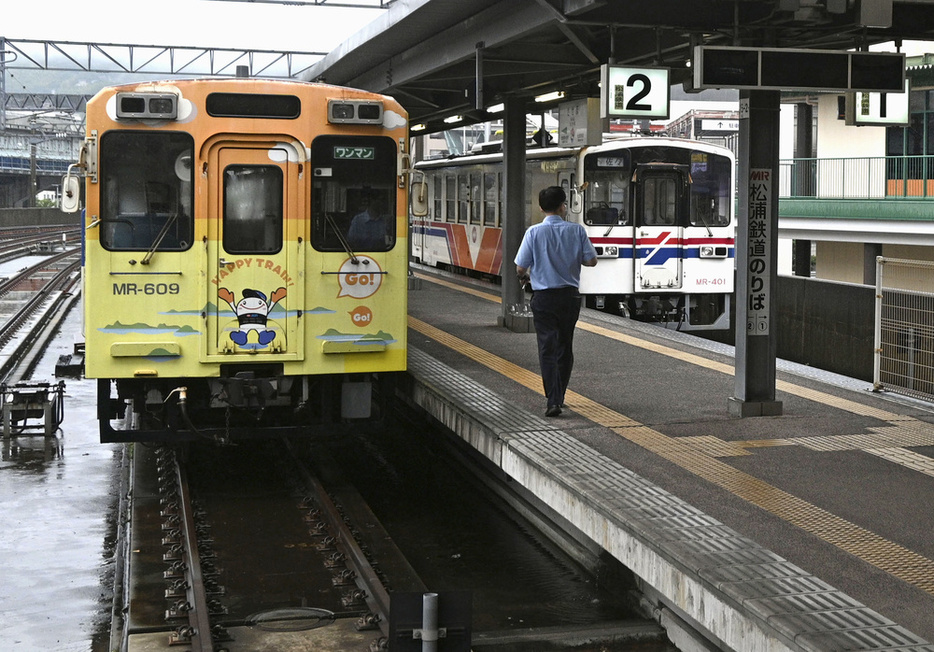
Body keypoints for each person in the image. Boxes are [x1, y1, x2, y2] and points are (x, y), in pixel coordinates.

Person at [515, 186, 598, 417]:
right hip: (569, 297)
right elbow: (591, 261)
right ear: (563, 206)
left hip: (543, 298)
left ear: (541, 208)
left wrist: (523, 277)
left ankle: (553, 399)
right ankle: (559, 396)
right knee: (565, 346)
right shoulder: (577, 231)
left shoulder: (533, 232)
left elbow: (521, 267)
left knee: (546, 347)